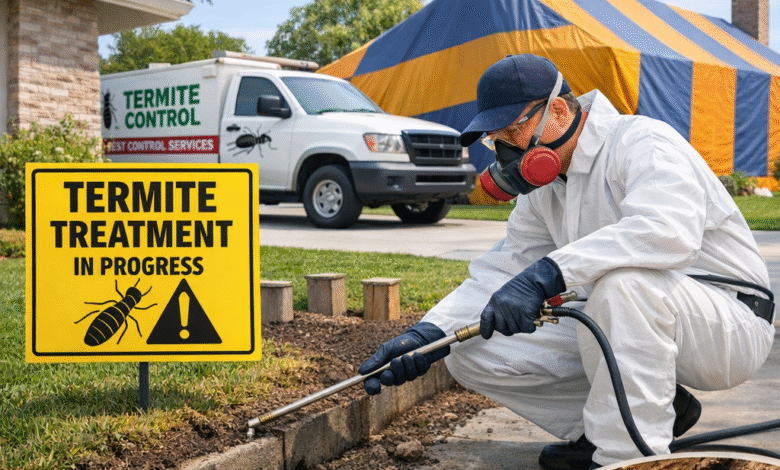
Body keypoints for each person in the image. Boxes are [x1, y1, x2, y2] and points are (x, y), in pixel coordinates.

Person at [358, 54, 775, 469]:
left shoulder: (643, 141)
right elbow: (507, 269)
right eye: (494, 139)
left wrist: (551, 272)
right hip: (631, 321)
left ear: (557, 110)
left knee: (624, 284)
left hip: (728, 324)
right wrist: (428, 333)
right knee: (469, 353)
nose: (504, 150)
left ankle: (625, 459)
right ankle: (611, 426)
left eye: (513, 131)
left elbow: (667, 230)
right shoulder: (544, 190)